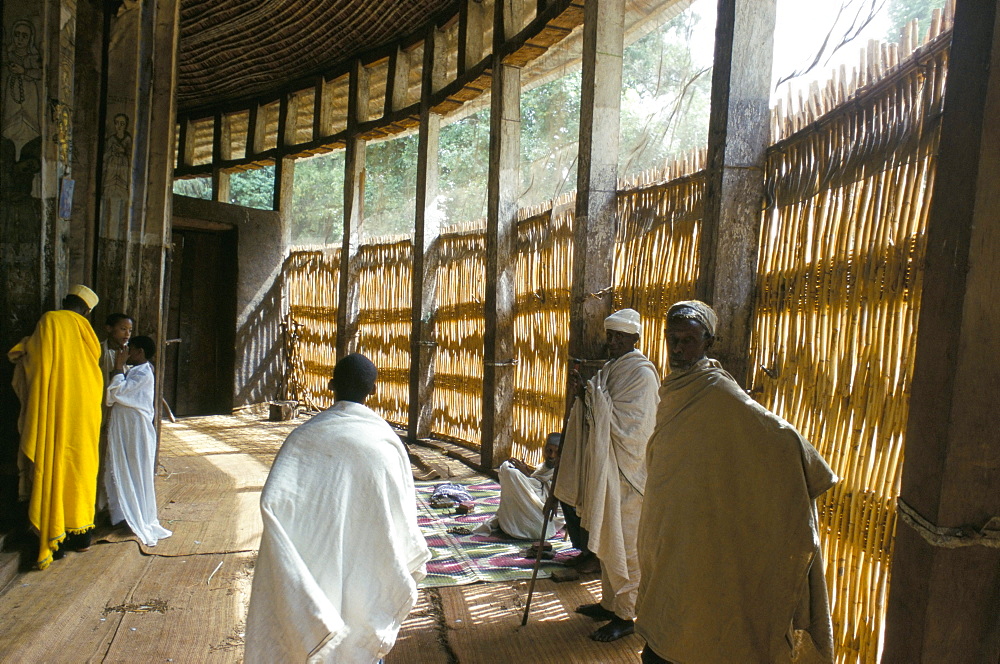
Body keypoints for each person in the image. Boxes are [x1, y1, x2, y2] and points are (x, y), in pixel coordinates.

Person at [635, 300, 838, 664]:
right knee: (666, 597)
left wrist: (807, 465)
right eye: (673, 339)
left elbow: (775, 432)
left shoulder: (718, 391)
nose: (679, 348)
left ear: (707, 343)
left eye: (689, 340)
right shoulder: (676, 388)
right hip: (669, 520)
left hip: (700, 524)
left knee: (694, 602)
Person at [245, 353, 430, 663]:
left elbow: (274, 503)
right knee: (359, 633)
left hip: (315, 568)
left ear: (331, 385)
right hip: (368, 565)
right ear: (373, 390)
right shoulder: (384, 442)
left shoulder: (301, 440)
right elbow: (402, 517)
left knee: (319, 636)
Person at [553, 308, 660, 642]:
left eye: (620, 337)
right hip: (608, 470)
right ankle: (610, 603)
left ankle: (627, 615)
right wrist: (585, 393)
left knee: (626, 545)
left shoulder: (642, 374)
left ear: (635, 339)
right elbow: (597, 407)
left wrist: (592, 397)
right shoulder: (613, 368)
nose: (612, 342)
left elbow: (634, 428)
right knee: (608, 541)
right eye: (610, 335)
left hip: (629, 474)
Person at [8, 285, 103, 569]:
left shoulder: (50, 320)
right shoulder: (86, 330)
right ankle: (82, 537)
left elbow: (36, 361)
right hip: (84, 410)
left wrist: (23, 346)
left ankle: (54, 538)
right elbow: (92, 365)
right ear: (87, 310)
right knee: (80, 468)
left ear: (65, 302)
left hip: (56, 407)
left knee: (53, 466)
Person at [103, 335, 171, 547]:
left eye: (129, 349)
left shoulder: (143, 373)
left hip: (135, 429)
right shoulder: (134, 371)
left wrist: (117, 366)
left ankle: (138, 515)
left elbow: (115, 393)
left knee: (134, 469)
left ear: (139, 352)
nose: (126, 351)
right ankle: (120, 513)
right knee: (116, 466)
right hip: (124, 426)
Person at [479, 432, 565, 541]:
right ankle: (513, 522)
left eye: (556, 452)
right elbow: (537, 483)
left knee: (512, 474)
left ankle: (524, 526)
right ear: (544, 450)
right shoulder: (543, 467)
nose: (552, 455)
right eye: (549, 451)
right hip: (536, 504)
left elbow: (548, 494)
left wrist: (527, 477)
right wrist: (528, 476)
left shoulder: (565, 471)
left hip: (548, 514)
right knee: (507, 466)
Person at [98, 313, 133, 511]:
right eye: (122, 329)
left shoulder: (131, 354)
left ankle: (117, 507)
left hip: (120, 413)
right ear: (109, 328)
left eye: (129, 330)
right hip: (101, 408)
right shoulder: (98, 351)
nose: (127, 334)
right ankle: (99, 504)